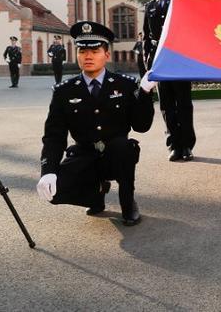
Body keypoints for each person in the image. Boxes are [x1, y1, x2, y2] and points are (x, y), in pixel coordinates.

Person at [36, 21, 157, 225]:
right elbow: (54, 136)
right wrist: (48, 171)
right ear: (77, 55)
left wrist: (144, 94)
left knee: (124, 148)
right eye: (82, 50)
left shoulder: (125, 85)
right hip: (85, 154)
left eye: (95, 50)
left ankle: (128, 202)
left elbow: (141, 126)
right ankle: (96, 194)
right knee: (53, 192)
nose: (88, 56)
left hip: (116, 154)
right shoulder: (64, 91)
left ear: (106, 55)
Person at [143, 0, 196, 162]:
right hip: (160, 60)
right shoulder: (151, 7)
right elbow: (147, 38)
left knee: (183, 104)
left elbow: (193, 34)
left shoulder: (186, 6)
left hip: (180, 60)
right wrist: (148, 65)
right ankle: (174, 145)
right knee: (166, 105)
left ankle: (187, 146)